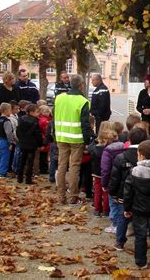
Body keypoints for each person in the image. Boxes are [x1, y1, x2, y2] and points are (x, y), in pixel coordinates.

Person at [123, 140, 150, 269]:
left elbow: (128, 192)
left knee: (140, 236)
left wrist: (127, 208)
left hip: (139, 210)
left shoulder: (133, 172)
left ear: (140, 155)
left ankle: (141, 262)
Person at [54, 74, 94, 205]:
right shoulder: (83, 101)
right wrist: (88, 141)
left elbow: (54, 116)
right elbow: (85, 123)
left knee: (61, 166)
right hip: (76, 139)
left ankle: (61, 196)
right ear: (81, 85)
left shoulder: (59, 98)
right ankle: (73, 197)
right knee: (74, 167)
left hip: (61, 136)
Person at [109, 127, 148, 251]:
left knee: (122, 218)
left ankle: (120, 242)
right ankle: (141, 242)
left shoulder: (121, 157)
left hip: (123, 194)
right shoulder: (147, 156)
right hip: (141, 194)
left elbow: (115, 177)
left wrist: (113, 193)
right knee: (140, 220)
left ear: (129, 140)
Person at [16, 104, 43, 184]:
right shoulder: (35, 121)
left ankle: (19, 178)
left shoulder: (21, 119)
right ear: (31, 112)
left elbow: (18, 131)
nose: (38, 113)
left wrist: (20, 139)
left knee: (22, 160)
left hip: (23, 143)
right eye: (37, 112)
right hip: (32, 144)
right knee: (30, 162)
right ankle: (28, 179)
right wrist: (40, 144)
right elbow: (37, 134)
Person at [0, 103, 14, 178]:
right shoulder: (7, 121)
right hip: (5, 141)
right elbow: (9, 133)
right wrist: (10, 143)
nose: (10, 112)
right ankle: (3, 173)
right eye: (10, 110)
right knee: (4, 157)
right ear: (5, 110)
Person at [37, 105, 52, 175]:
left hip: (42, 138)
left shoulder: (41, 119)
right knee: (44, 155)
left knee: (43, 155)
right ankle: (44, 169)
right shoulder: (45, 121)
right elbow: (46, 131)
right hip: (44, 139)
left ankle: (42, 168)